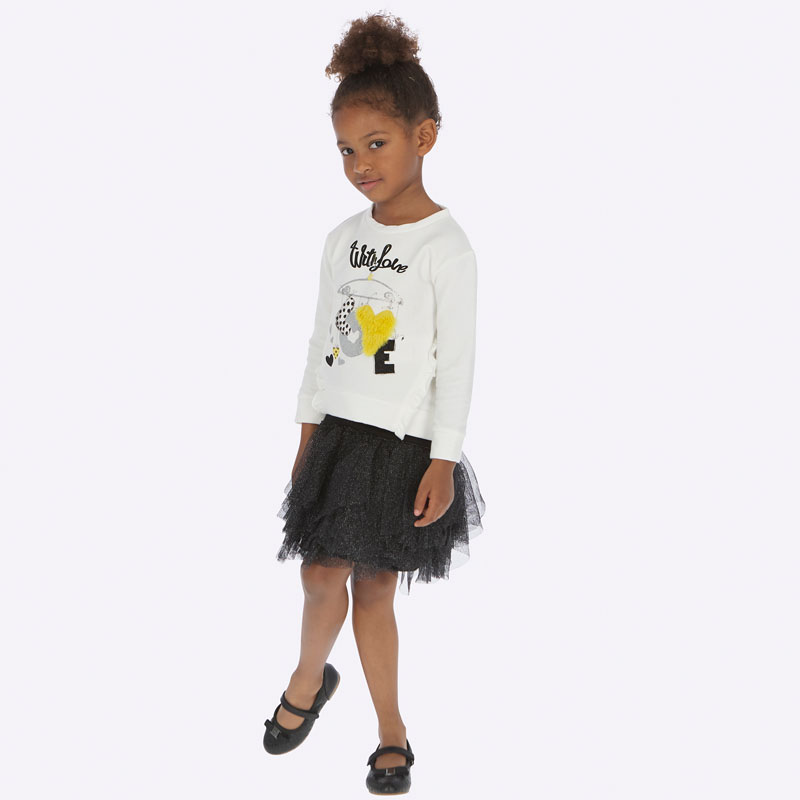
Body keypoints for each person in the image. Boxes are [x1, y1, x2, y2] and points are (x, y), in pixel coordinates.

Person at [263, 11, 487, 795]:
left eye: (376, 144)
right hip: (337, 437)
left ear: (425, 136)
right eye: (345, 150)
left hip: (400, 446)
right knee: (319, 574)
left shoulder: (446, 249)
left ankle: (391, 729)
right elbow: (321, 344)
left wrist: (443, 459)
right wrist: (306, 433)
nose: (359, 164)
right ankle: (309, 677)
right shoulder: (341, 239)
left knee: (377, 587)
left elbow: (456, 364)